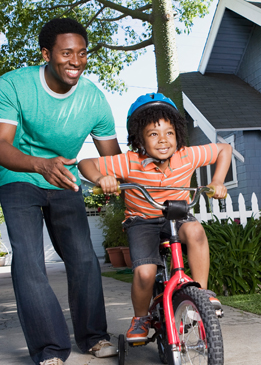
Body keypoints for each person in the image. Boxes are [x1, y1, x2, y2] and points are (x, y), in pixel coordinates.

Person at [0, 18, 121, 365]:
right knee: (29, 261)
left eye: (82, 53)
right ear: (46, 54)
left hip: (65, 181)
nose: (76, 61)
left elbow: (112, 158)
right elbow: (1, 144)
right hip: (17, 176)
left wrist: (110, 178)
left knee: (83, 258)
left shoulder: (93, 98)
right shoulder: (14, 86)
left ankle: (93, 337)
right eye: (67, 53)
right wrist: (40, 165)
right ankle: (50, 349)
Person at [78, 93, 233, 342]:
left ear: (178, 134)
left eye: (169, 133)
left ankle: (201, 294)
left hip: (177, 215)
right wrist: (101, 178)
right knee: (145, 273)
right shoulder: (129, 162)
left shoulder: (187, 155)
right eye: (153, 134)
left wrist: (217, 181)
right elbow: (85, 163)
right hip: (142, 221)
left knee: (195, 231)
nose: (163, 140)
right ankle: (140, 318)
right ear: (140, 138)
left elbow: (224, 149)